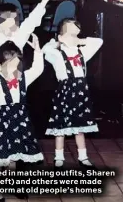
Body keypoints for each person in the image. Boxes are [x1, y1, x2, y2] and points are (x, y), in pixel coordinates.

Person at [0, 34, 44, 202]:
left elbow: (38, 70)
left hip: (19, 124)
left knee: (14, 158)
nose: (15, 72)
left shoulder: (24, 79)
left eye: (18, 67)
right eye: (10, 67)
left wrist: (38, 52)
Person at [42, 18, 103, 169]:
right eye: (69, 33)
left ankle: (83, 156)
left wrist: (80, 41)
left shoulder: (83, 52)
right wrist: (58, 42)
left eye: (76, 33)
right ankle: (59, 156)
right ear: (61, 36)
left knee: (80, 126)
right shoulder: (56, 54)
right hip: (65, 93)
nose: (73, 37)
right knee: (60, 128)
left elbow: (99, 41)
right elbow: (45, 49)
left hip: (81, 93)